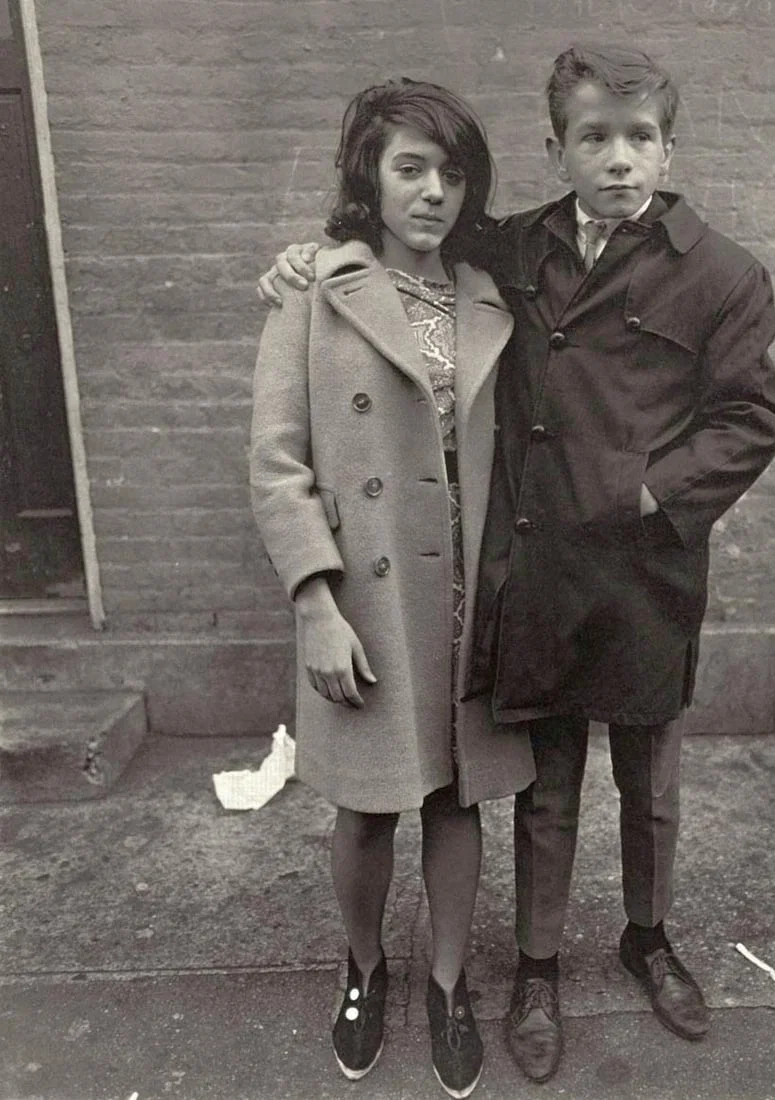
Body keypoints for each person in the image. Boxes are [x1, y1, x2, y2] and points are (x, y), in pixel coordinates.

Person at [258, 43, 775, 1084]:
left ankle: (649, 935)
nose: (619, 161)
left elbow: (752, 414)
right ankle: (535, 966)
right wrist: (303, 257)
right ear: (556, 149)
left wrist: (652, 491)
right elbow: (395, 254)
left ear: (668, 147)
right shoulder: (515, 249)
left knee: (649, 781)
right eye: (593, 138)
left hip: (645, 569)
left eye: (639, 138)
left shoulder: (720, 271)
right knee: (543, 785)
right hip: (536, 567)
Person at [248, 77, 534, 1098]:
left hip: (469, 593)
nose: (432, 191)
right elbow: (276, 463)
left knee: (459, 799)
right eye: (409, 167)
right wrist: (315, 604)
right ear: (368, 173)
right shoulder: (315, 291)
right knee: (369, 806)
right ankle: (364, 968)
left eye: (451, 172)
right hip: (365, 599)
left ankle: (448, 984)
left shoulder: (490, 292)